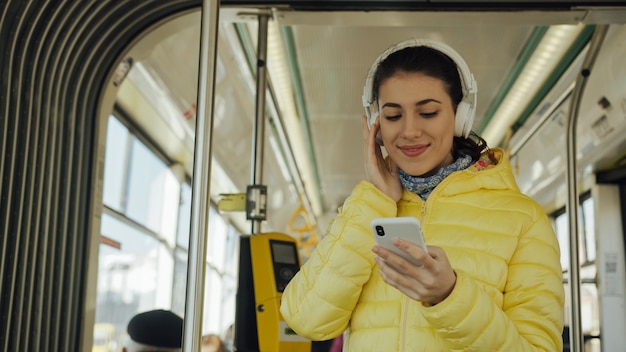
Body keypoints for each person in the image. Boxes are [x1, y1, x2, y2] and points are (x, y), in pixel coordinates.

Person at [280, 38, 565, 351]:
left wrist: (450, 296)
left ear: (460, 116)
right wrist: (376, 200)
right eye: (392, 116)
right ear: (376, 125)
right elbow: (306, 320)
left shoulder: (523, 219)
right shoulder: (367, 209)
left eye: (428, 112)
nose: (410, 130)